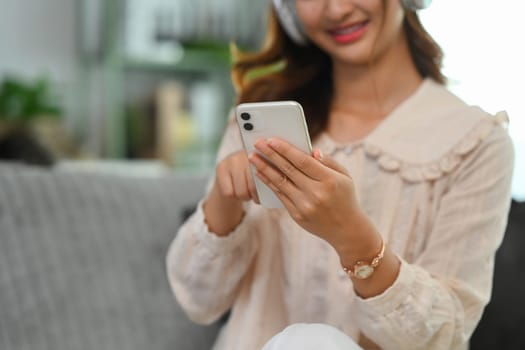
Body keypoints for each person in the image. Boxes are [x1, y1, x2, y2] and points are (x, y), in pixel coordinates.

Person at [166, 0, 514, 349]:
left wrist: (352, 235)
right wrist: (225, 199)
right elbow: (198, 301)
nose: (335, 10)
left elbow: (444, 335)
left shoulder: (476, 142)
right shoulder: (261, 112)